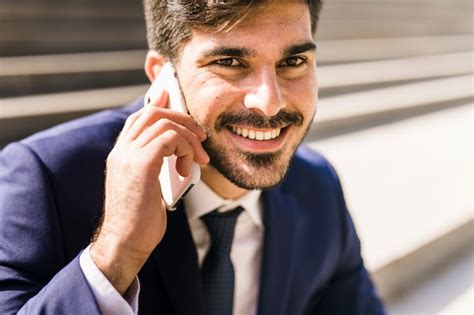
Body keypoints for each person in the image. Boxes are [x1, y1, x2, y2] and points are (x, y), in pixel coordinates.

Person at [0, 0, 386, 314]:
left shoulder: (317, 185)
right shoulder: (43, 177)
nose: (269, 103)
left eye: (293, 62)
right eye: (230, 63)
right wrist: (114, 255)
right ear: (161, 76)